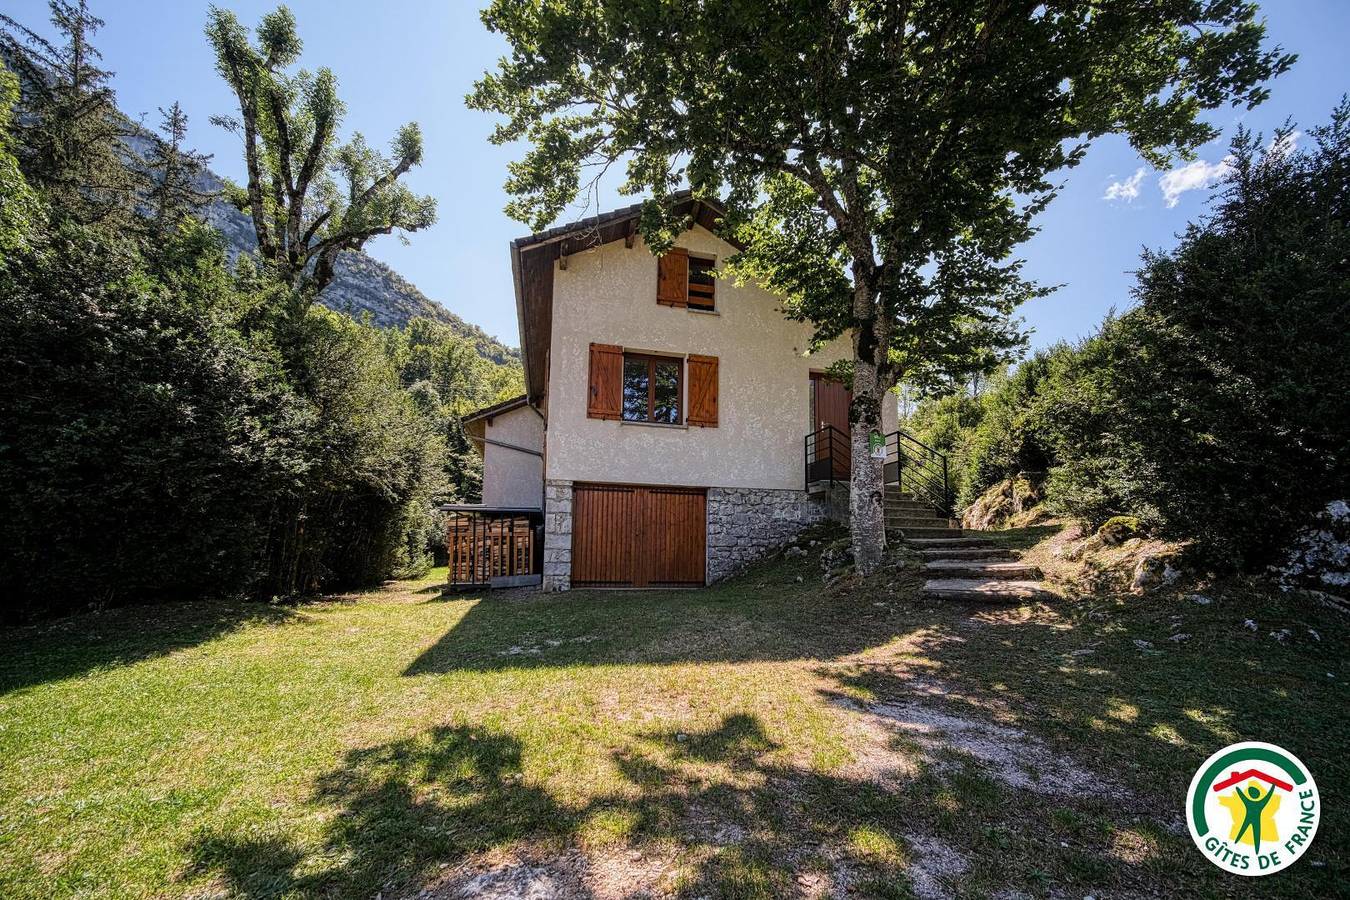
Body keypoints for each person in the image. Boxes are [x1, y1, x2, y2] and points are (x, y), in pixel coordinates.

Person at [1234, 782, 1277, 852]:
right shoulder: (1261, 803)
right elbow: (1268, 796)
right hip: (1255, 820)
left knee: (1243, 832)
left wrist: (1237, 788)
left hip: (1250, 819)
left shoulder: (1248, 802)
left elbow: (1241, 795)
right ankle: (1256, 850)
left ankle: (1236, 842)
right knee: (1256, 835)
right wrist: (1273, 786)